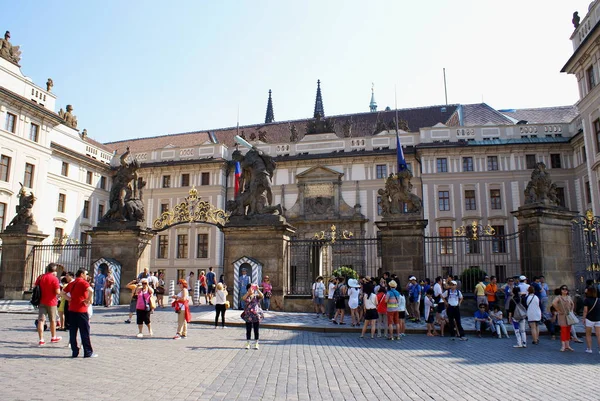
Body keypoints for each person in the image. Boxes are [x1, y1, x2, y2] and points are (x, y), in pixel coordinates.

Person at [62, 269, 96, 358]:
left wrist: (69, 299)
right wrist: (88, 299)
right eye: (86, 274)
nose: (87, 275)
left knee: (73, 332)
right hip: (81, 310)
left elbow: (63, 292)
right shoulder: (83, 282)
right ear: (81, 274)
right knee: (84, 332)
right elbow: (91, 290)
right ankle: (88, 352)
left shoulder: (72, 283)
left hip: (72, 309)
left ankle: (74, 351)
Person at [35, 263, 61, 346]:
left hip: (41, 301)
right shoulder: (54, 279)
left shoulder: (40, 277)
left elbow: (35, 286)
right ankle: (53, 337)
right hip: (51, 302)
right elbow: (57, 292)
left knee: (41, 320)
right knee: (52, 320)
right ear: (54, 270)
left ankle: (41, 339)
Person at [552, 285, 575, 352]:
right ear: (561, 290)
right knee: (563, 330)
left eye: (566, 289)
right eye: (563, 289)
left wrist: (571, 311)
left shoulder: (569, 297)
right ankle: (563, 345)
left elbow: (572, 304)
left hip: (568, 315)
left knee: (568, 330)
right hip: (562, 316)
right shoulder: (559, 297)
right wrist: (558, 310)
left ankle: (567, 345)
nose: (565, 290)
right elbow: (553, 303)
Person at [242, 283, 264, 349]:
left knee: (256, 330)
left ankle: (256, 343)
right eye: (249, 288)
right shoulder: (247, 296)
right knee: (248, 330)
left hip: (255, 315)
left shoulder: (256, 296)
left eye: (252, 288)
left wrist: (257, 290)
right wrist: (248, 293)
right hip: (248, 315)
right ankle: (248, 343)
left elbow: (262, 296)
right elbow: (243, 298)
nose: (251, 289)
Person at [582, 286, 600, 353]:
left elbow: (585, 311)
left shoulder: (586, 300)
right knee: (599, 335)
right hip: (598, 319)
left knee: (588, 334)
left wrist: (583, 318)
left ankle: (589, 349)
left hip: (589, 319)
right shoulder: (598, 300)